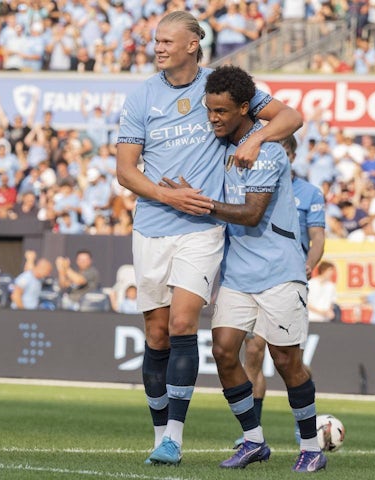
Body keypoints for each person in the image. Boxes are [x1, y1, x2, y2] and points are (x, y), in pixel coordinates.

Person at [115, 10, 302, 466]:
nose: (158, 47)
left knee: (182, 325)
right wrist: (166, 195)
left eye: (166, 41)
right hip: (152, 226)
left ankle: (174, 438)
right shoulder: (142, 97)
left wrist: (255, 141)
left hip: (202, 228)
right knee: (156, 334)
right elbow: (124, 171)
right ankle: (159, 434)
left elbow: (291, 117)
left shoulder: (221, 87)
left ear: (192, 45)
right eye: (156, 40)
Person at [164, 65, 325, 472]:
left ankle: (310, 447)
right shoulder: (220, 150)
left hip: (279, 271)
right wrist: (184, 190)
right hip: (238, 272)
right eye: (209, 111)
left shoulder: (267, 150)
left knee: (287, 361)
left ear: (242, 108)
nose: (213, 118)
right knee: (222, 350)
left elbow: (252, 214)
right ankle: (253, 440)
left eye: (221, 111)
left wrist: (201, 204)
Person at [235, 134, 327, 442]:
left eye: (284, 151)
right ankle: (252, 433)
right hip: (256, 278)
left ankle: (305, 428)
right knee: (253, 350)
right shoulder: (251, 187)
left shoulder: (308, 193)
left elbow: (317, 238)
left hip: (288, 279)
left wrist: (309, 264)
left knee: (289, 361)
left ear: (292, 155)